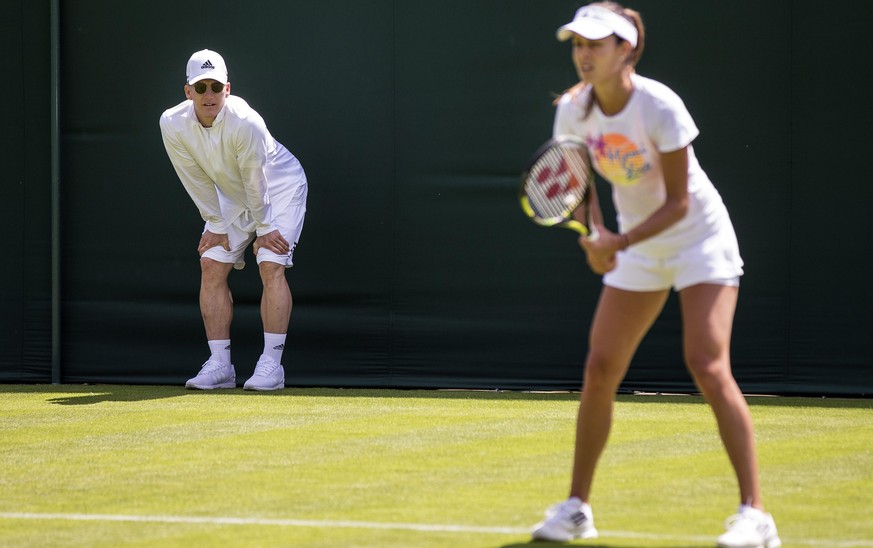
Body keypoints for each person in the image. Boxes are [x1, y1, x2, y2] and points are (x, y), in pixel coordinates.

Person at [530, 4, 781, 547]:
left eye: (595, 45)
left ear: (627, 49)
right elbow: (578, 187)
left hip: (698, 237)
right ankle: (577, 509)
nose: (583, 55)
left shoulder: (659, 104)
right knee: (600, 367)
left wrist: (616, 242)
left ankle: (756, 516)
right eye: (577, 45)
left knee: (707, 363)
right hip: (637, 245)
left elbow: (679, 202)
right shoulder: (573, 110)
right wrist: (593, 232)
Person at [159, 49, 308, 391]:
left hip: (279, 188)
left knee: (270, 263)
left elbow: (256, 180)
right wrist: (216, 222)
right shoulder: (172, 123)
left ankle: (272, 366)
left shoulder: (246, 122)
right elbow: (192, 176)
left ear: (228, 88)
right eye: (201, 88)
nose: (208, 95)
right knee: (211, 264)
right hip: (232, 193)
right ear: (188, 92)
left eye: (215, 87)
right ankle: (221, 366)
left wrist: (265, 229)